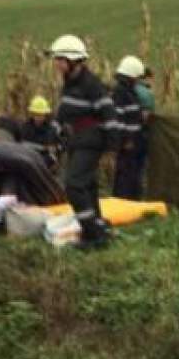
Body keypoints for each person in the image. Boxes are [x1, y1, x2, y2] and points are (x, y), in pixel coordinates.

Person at [47, 34, 120, 249]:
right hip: (77, 141)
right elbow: (63, 112)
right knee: (87, 185)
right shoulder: (69, 85)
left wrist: (112, 146)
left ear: (74, 61)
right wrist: (54, 133)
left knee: (74, 185)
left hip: (91, 140)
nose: (56, 64)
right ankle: (97, 224)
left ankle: (93, 234)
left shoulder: (92, 84)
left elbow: (109, 115)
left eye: (60, 60)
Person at [0, 142, 66, 207]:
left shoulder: (8, 159)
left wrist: (47, 192)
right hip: (13, 169)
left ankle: (55, 201)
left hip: (30, 161)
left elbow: (36, 172)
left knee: (41, 191)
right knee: (10, 195)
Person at [111, 55, 146, 200]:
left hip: (133, 140)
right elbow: (119, 117)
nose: (138, 80)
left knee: (132, 171)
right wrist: (126, 139)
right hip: (127, 142)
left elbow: (132, 114)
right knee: (126, 172)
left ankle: (132, 198)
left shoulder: (129, 92)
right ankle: (123, 199)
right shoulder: (121, 92)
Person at [20, 96, 60, 169]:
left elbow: (57, 149)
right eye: (36, 114)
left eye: (41, 115)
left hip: (44, 162)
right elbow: (21, 144)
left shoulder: (52, 129)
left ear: (45, 114)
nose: (38, 117)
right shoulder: (25, 127)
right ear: (32, 114)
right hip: (27, 157)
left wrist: (55, 149)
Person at [133, 67, 156, 189]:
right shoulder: (147, 93)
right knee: (140, 166)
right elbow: (147, 115)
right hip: (141, 133)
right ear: (147, 77)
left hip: (126, 133)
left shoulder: (130, 88)